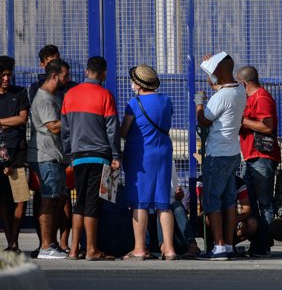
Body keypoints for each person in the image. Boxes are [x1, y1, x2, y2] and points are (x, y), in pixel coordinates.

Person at [61, 56, 120, 261]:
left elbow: (65, 129)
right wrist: (115, 155)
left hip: (78, 157)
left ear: (87, 71)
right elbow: (112, 129)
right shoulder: (105, 95)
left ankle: (74, 249)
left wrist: (69, 152)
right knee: (93, 203)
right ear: (103, 73)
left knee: (80, 202)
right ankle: (92, 249)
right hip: (99, 156)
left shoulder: (70, 94)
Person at [120, 64, 177, 260]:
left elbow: (124, 132)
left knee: (140, 202)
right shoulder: (166, 100)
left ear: (137, 83)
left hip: (141, 154)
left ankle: (139, 248)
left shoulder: (134, 104)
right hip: (163, 152)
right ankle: (169, 249)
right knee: (163, 202)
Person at [195, 53, 246, 260]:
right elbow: (218, 84)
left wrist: (199, 103)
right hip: (233, 153)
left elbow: (203, 120)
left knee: (211, 200)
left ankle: (218, 247)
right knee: (229, 201)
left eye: (214, 71)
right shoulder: (239, 89)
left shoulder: (220, 97)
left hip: (217, 154)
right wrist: (209, 67)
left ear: (220, 72)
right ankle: (229, 245)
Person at [27, 59, 71, 259]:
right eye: (65, 76)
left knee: (56, 200)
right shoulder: (44, 98)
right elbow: (53, 126)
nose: (67, 80)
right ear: (54, 76)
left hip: (56, 156)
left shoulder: (53, 97)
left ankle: (51, 243)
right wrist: (75, 118)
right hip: (46, 156)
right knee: (47, 199)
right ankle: (46, 246)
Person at [236, 66, 280, 257]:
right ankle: (259, 242)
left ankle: (263, 243)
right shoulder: (248, 99)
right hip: (250, 157)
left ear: (244, 83)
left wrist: (242, 121)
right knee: (250, 203)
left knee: (265, 203)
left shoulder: (262, 97)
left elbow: (267, 127)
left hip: (262, 157)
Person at [0, 55, 29, 253]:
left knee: (20, 197)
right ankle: (10, 242)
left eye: (9, 74)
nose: (6, 78)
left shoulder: (20, 93)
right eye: (3, 75)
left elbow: (22, 119)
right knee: (3, 200)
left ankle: (14, 241)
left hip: (17, 151)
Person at [232, 176, 258, 249]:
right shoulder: (203, 180)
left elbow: (247, 209)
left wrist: (234, 220)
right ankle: (212, 245)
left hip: (232, 217)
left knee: (252, 223)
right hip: (211, 217)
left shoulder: (238, 182)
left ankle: (230, 245)